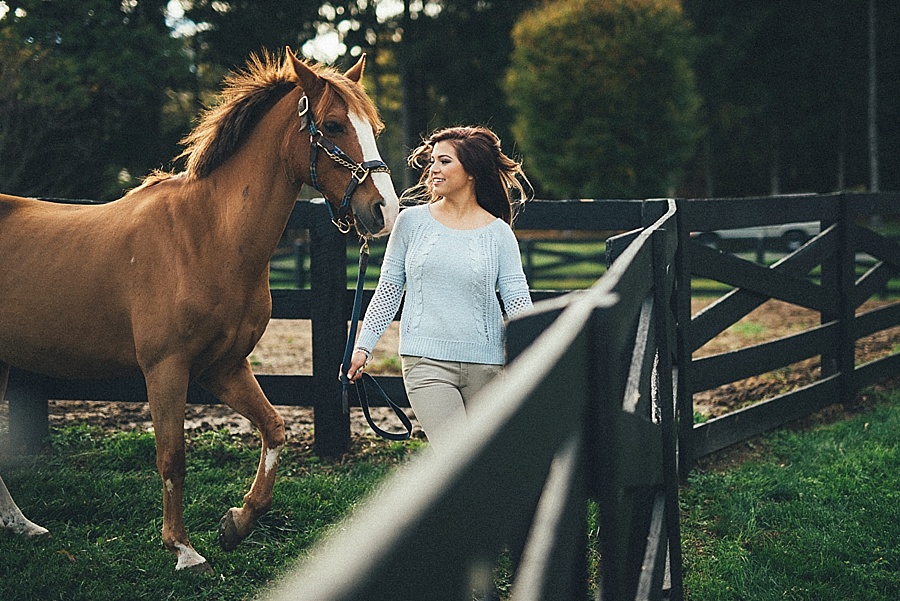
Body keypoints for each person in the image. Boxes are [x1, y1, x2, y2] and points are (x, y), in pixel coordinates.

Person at [345, 126, 533, 454]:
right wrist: (363, 347)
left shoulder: (499, 234)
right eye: (432, 161)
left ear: (471, 171)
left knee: (488, 462)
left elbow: (517, 300)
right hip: (426, 362)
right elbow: (389, 289)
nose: (433, 169)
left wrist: (535, 353)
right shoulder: (411, 223)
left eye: (444, 161)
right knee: (456, 458)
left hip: (486, 365)